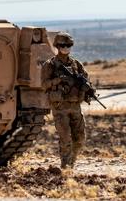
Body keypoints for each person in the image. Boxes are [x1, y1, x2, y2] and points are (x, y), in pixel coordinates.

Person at [41, 32, 88, 169]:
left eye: (68, 45)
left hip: (75, 106)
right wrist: (59, 80)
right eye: (63, 45)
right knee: (65, 138)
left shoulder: (76, 64)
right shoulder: (50, 65)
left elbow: (85, 79)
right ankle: (66, 167)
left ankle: (71, 161)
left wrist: (86, 87)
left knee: (79, 139)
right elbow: (44, 84)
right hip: (60, 107)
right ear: (57, 46)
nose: (66, 48)